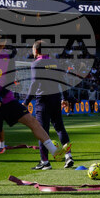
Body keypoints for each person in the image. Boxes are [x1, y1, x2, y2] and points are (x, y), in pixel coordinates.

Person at [0, 29, 65, 183]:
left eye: (2, 47)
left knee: (32, 120)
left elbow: (10, 80)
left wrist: (0, 97)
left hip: (6, 99)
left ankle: (54, 150)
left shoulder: (8, 55)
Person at [24, 40, 74, 170]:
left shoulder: (36, 64)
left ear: (36, 50)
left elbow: (34, 85)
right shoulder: (55, 62)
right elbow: (63, 81)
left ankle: (45, 162)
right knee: (60, 128)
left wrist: (26, 102)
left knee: (42, 131)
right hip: (56, 98)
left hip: (43, 100)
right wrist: (65, 98)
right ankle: (69, 156)